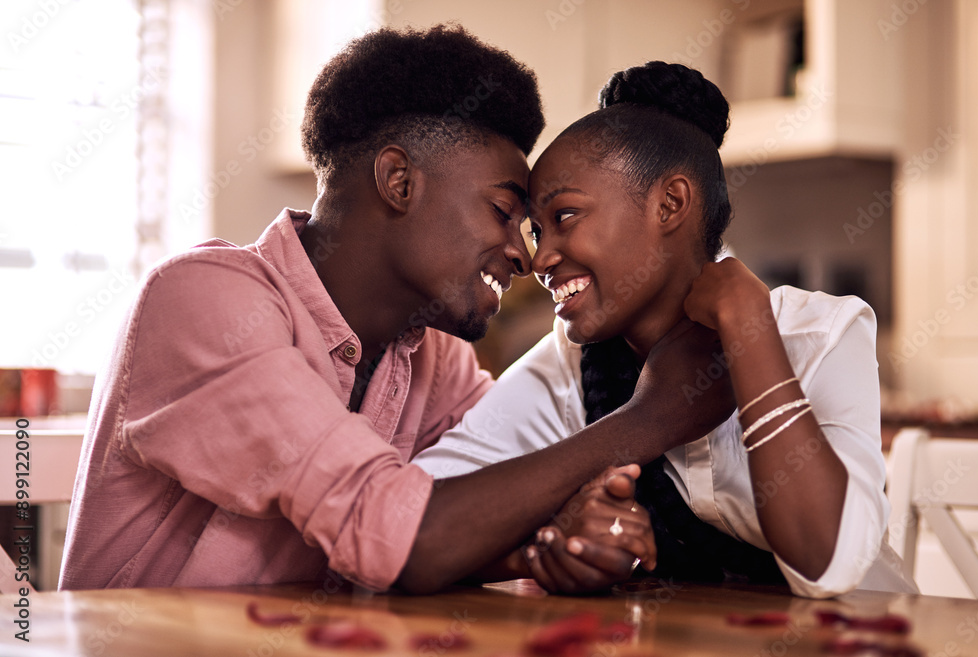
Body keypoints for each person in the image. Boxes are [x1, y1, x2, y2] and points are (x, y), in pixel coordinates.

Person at [59, 27, 736, 595]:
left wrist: (546, 544)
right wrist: (647, 419)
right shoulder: (204, 299)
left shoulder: (433, 357)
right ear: (399, 180)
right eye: (504, 213)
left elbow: (494, 505)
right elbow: (405, 535)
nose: (524, 255)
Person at [412, 61, 918, 598]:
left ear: (670, 204)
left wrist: (749, 328)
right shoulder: (568, 364)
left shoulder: (818, 335)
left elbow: (829, 566)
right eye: (538, 231)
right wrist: (545, 545)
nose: (542, 259)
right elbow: (409, 520)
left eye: (564, 217)